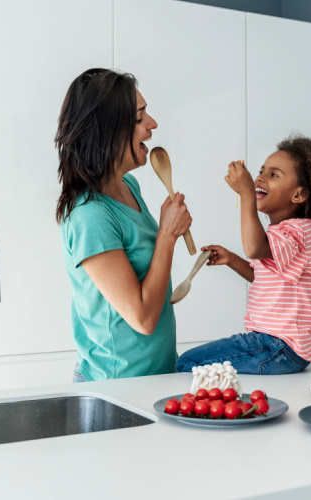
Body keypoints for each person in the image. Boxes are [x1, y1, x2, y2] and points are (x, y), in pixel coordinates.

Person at [56, 68, 192, 382]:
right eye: (140, 117)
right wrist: (167, 235)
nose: (153, 124)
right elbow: (143, 318)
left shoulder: (128, 186)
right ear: (109, 130)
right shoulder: (90, 215)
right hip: (115, 387)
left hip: (152, 380)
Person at [175, 134, 311, 375]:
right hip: (281, 346)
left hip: (277, 346)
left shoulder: (296, 231)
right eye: (262, 171)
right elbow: (266, 278)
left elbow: (254, 247)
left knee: (187, 364)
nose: (260, 178)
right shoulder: (286, 234)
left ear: (298, 194)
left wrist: (246, 194)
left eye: (274, 175)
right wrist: (232, 260)